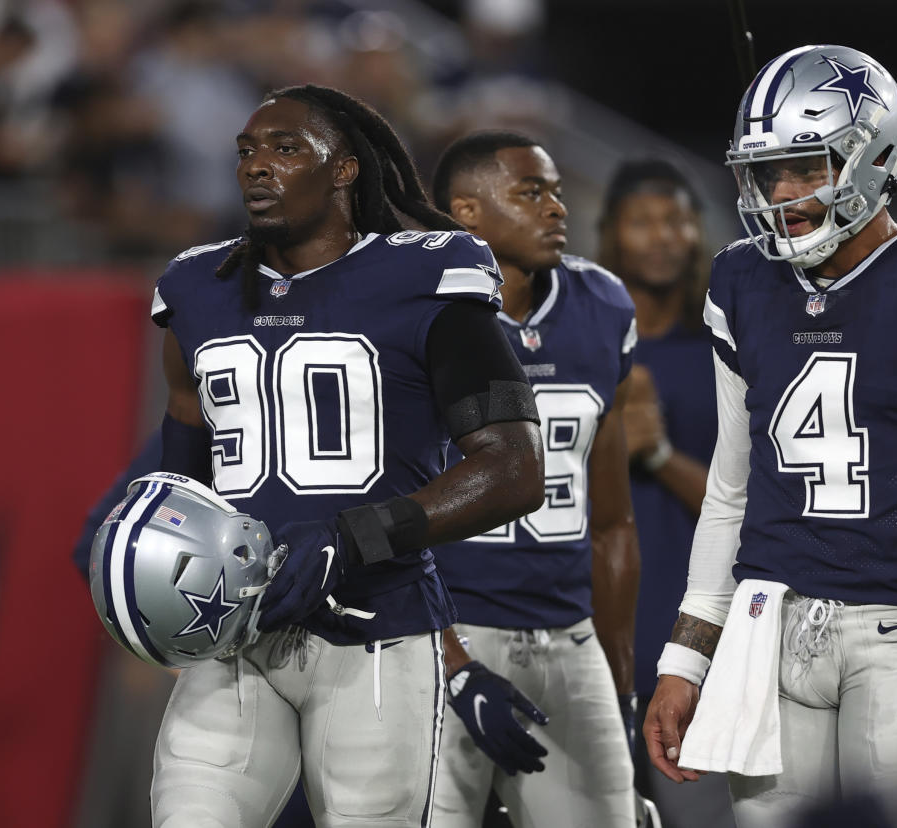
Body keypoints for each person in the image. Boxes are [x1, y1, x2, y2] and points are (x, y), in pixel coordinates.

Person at [642, 45, 897, 828]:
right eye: (767, 174)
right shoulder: (741, 280)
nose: (784, 194)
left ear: (877, 155)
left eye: (808, 166)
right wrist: (687, 658)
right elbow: (732, 492)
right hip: (765, 627)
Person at [136, 85, 545, 827]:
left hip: (377, 633)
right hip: (236, 634)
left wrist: (351, 538)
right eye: (247, 152)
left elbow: (514, 470)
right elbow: (182, 474)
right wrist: (158, 570)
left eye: (287, 149)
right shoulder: (199, 288)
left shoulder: (427, 276)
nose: (258, 166)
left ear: (347, 170)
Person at [427, 130, 640, 827]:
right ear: (466, 213)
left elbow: (611, 520)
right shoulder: (416, 311)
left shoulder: (601, 304)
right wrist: (447, 655)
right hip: (447, 634)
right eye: (530, 193)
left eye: (555, 190)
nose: (557, 208)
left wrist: (617, 672)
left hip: (569, 637)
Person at [595, 159, 732, 828]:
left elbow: (750, 507)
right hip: (592, 642)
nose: (660, 236)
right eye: (641, 220)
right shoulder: (578, 349)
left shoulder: (727, 351)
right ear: (611, 234)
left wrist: (656, 453)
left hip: (696, 643)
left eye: (676, 219)